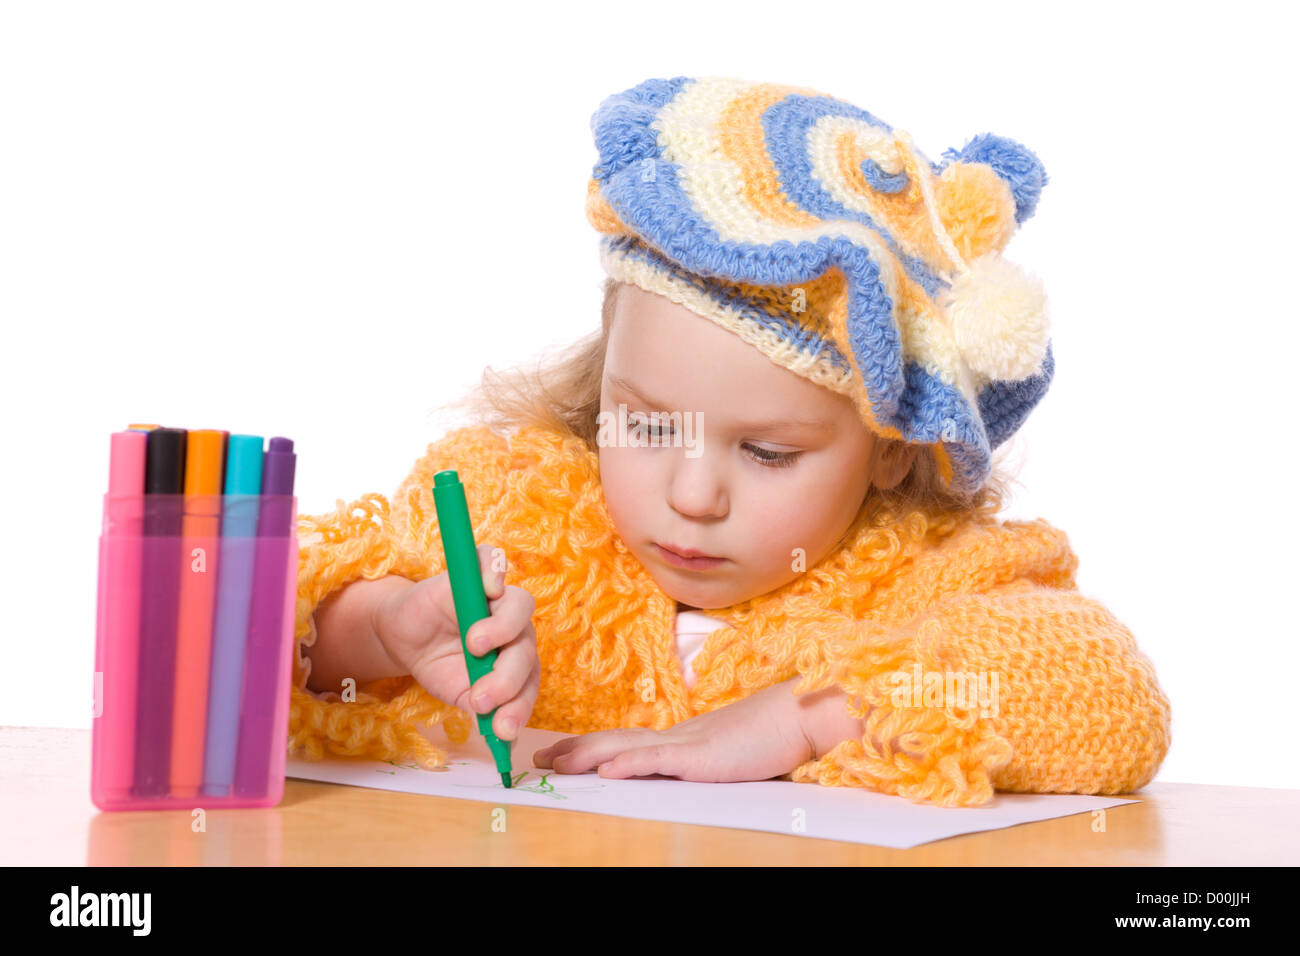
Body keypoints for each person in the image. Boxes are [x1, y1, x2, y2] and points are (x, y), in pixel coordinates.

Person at [292, 75, 1171, 807]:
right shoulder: (511, 512)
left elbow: (1113, 700)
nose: (692, 495)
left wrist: (810, 714)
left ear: (891, 446)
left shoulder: (921, 576)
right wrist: (377, 629)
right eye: (644, 424)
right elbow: (273, 651)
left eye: (767, 453)